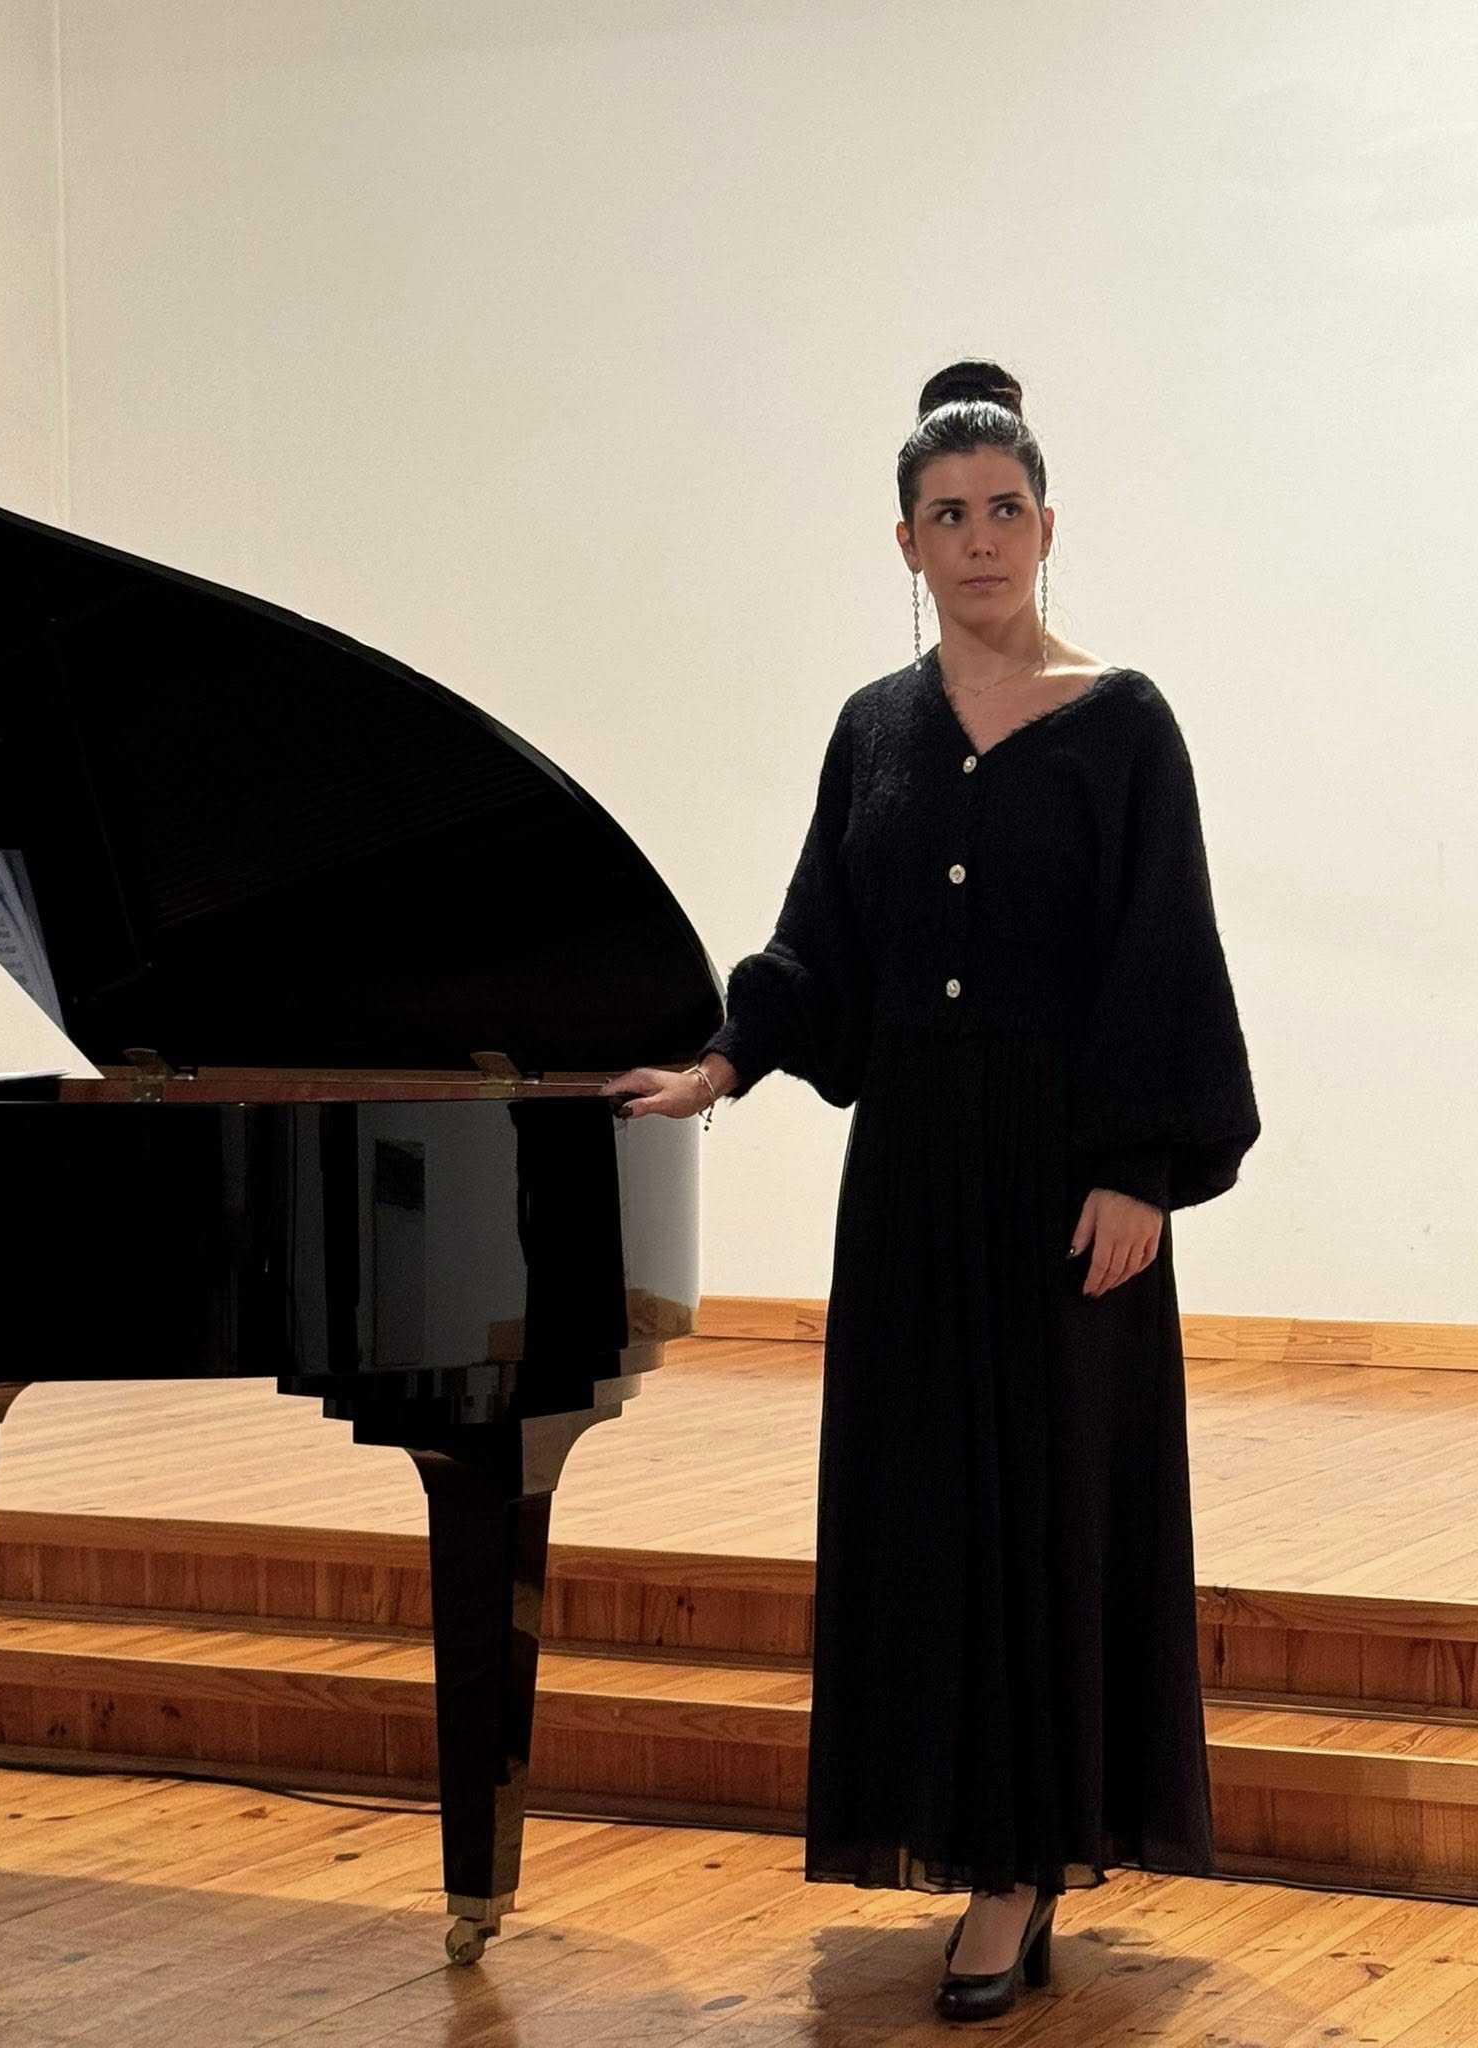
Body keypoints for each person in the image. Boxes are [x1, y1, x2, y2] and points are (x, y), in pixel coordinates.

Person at [599, 356, 1261, 2024]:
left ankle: (1022, 1870)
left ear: (1048, 527)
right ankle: (966, 1837)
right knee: (925, 1513)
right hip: (907, 1174)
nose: (979, 539)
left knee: (1049, 1509)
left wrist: (1138, 1172)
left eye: (1004, 510)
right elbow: (820, 942)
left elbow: (1162, 954)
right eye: (947, 515)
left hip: (1063, 1181)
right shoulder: (874, 730)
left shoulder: (1124, 722)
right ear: (904, 542)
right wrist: (717, 1069)